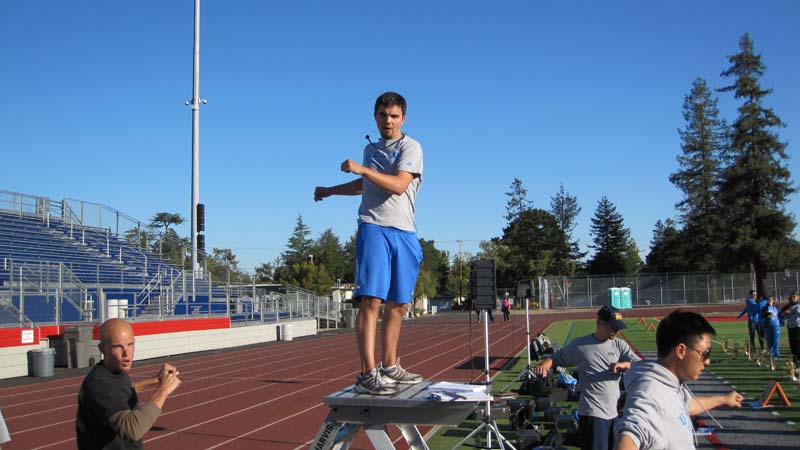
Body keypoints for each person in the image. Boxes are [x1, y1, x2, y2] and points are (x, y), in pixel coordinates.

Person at [314, 92, 424, 395]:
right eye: (382, 115)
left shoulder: (410, 147)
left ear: (403, 118)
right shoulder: (370, 149)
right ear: (375, 117)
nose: (388, 121)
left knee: (399, 304)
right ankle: (367, 372)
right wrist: (331, 190)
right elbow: (366, 185)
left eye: (393, 116)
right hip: (374, 227)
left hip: (404, 232)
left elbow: (400, 185)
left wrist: (363, 169)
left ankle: (390, 366)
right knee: (371, 300)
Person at [614, 310, 743, 450]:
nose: (707, 361)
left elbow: (687, 405)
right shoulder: (650, 394)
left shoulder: (668, 382)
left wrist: (724, 399)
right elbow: (628, 440)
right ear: (681, 350)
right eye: (705, 353)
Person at [533, 305, 640, 450]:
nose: (617, 331)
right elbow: (555, 358)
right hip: (593, 415)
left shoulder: (619, 345)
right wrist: (544, 365)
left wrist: (623, 365)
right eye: (614, 327)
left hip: (614, 414)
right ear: (601, 323)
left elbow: (639, 364)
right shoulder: (580, 345)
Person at [76, 318, 181, 449]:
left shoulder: (114, 370)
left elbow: (123, 392)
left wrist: (156, 380)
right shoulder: (99, 383)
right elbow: (132, 430)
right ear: (102, 349)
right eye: (118, 346)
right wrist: (163, 391)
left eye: (130, 344)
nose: (126, 353)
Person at [779, 293, 800, 367]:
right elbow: (780, 315)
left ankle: (798, 362)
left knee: (798, 346)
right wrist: (785, 312)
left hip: (798, 327)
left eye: (794, 296)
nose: (792, 298)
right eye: (791, 297)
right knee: (792, 346)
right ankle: (795, 363)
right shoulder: (788, 306)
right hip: (791, 328)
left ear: (798, 297)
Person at [762, 295, 781, 360]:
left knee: (775, 341)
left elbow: (779, 315)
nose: (770, 300)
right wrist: (769, 313)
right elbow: (763, 315)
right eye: (769, 299)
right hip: (768, 326)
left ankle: (776, 355)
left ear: (773, 300)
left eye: (771, 299)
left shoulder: (775, 307)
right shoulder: (765, 307)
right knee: (769, 342)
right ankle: (771, 354)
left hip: (776, 326)